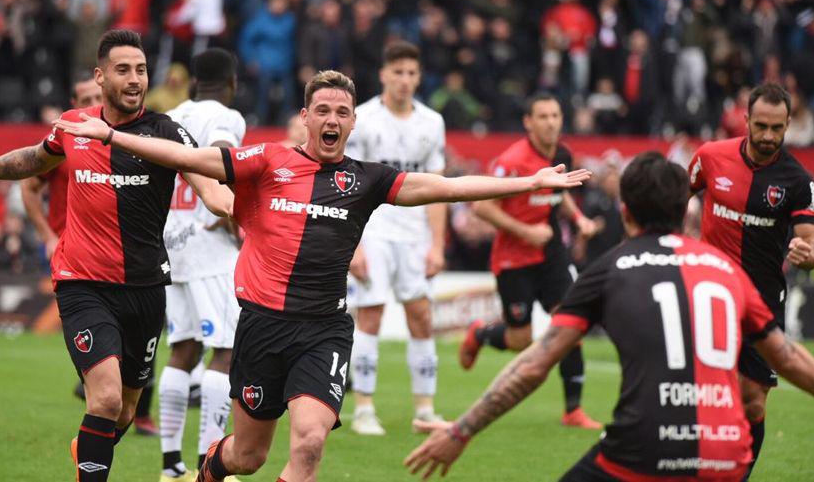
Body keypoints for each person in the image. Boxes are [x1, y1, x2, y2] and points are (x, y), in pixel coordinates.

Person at [48, 69, 591, 482]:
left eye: (342, 112)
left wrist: (527, 183)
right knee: (249, 456)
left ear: (354, 122)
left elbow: (445, 186)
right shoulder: (268, 162)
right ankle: (210, 469)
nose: (332, 120)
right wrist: (114, 138)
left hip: (324, 331)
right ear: (306, 117)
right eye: (323, 110)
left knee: (308, 443)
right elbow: (183, 156)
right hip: (262, 328)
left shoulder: (367, 180)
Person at [404, 152, 814, 481]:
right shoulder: (728, 271)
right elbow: (787, 358)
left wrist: (461, 431)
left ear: (625, 211)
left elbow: (534, 365)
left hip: (642, 449)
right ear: (685, 212)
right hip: (727, 453)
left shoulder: (610, 270)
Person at [0, 29, 229, 481]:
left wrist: (241, 210)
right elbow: (35, 159)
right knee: (107, 398)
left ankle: (90, 444)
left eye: (141, 70)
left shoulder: (167, 132)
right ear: (101, 75)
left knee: (125, 411)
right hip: (83, 283)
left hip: (146, 289)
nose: (135, 79)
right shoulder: (73, 125)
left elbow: (213, 191)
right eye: (123, 70)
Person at [688, 82, 814, 476]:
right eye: (760, 125)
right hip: (708, 294)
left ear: (788, 125)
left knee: (753, 404)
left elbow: (811, 248)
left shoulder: (798, 181)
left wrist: (807, 255)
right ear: (745, 120)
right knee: (695, 395)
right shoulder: (710, 157)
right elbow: (676, 194)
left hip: (761, 301)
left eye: (776, 128)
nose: (767, 136)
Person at [20, 74, 161, 436]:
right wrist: (47, 235)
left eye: (94, 97)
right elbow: (30, 183)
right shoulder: (68, 138)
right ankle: (100, 381)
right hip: (77, 265)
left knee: (121, 408)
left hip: (132, 268)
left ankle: (128, 410)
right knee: (106, 397)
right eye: (84, 98)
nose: (91, 105)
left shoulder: (134, 141)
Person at [459, 93, 601, 429]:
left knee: (571, 324)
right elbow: (481, 206)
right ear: (528, 122)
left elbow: (559, 191)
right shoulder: (512, 161)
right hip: (514, 259)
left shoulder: (563, 153)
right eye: (543, 116)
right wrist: (524, 231)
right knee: (519, 340)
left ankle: (573, 410)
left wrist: (578, 219)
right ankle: (481, 334)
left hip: (551, 255)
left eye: (555, 115)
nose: (551, 122)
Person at [345, 40, 448, 435]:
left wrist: (437, 244)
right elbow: (350, 186)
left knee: (421, 316)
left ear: (418, 77)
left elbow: (438, 188)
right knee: (370, 314)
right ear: (384, 74)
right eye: (398, 72)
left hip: (414, 233)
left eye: (411, 73)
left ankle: (425, 409)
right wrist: (353, 244)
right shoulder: (365, 119)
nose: (405, 80)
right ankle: (365, 409)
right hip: (373, 230)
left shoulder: (432, 122)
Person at [157, 48, 244, 482]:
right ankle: (210, 468)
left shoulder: (171, 115)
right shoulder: (226, 117)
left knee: (182, 350)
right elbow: (224, 157)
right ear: (231, 83)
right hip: (211, 247)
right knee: (225, 352)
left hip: (172, 245)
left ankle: (170, 466)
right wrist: (232, 216)